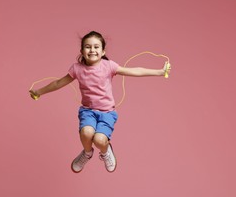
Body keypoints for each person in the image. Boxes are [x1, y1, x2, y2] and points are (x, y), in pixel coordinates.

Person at [29, 31, 170, 173]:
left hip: (107, 113)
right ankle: (87, 152)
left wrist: (159, 71)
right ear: (82, 51)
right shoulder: (77, 69)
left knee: (99, 140)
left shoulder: (109, 66)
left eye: (96, 47)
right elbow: (58, 82)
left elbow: (135, 71)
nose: (92, 50)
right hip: (88, 111)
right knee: (86, 132)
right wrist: (39, 92)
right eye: (88, 47)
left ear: (103, 51)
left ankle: (106, 151)